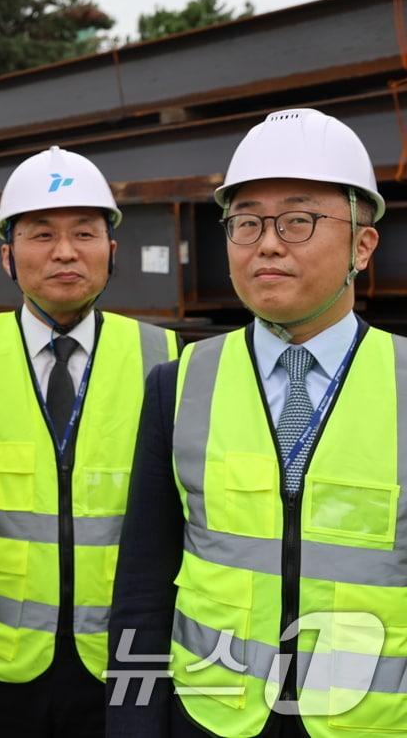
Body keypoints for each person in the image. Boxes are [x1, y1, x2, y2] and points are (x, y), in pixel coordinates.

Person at [107, 108, 397, 737]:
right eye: (246, 222)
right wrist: (132, 723)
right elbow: (144, 586)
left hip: (369, 721)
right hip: (211, 714)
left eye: (298, 220)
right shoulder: (179, 386)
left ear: (363, 245)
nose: (267, 242)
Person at [0, 146, 178, 736]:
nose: (66, 251)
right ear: (7, 257)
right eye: (41, 234)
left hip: (126, 662)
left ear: (111, 252)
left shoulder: (166, 359)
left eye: (85, 233)